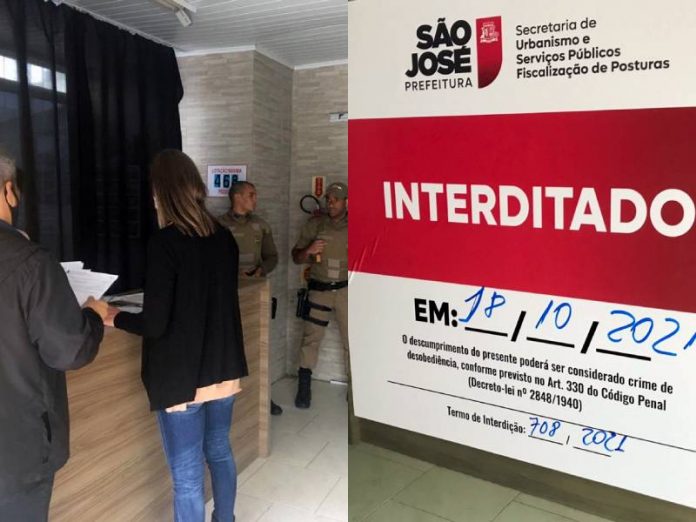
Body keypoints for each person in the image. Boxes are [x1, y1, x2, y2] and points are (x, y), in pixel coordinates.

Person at [106, 149, 248, 522]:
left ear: (162, 192)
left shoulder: (165, 242)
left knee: (187, 479)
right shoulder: (224, 237)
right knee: (220, 452)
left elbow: (155, 323)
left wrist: (114, 317)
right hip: (223, 370)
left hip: (182, 380)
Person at [0, 152, 107, 521]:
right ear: (9, 191)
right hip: (17, 454)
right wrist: (93, 315)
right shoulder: (30, 261)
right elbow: (70, 350)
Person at [218, 181, 284, 416]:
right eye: (251, 195)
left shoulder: (261, 225)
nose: (255, 199)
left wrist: (261, 270)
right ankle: (230, 395)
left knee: (259, 346)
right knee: (229, 346)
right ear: (237, 197)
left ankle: (263, 396)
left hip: (256, 294)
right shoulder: (217, 225)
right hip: (226, 295)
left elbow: (272, 256)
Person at [291, 181, 348, 409]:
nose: (331, 203)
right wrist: (309, 250)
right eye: (328, 199)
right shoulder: (315, 224)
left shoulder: (359, 224)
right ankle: (304, 388)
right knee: (310, 340)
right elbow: (296, 257)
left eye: (336, 199)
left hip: (346, 292)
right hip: (319, 290)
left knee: (351, 342)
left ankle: (355, 391)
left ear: (346, 202)